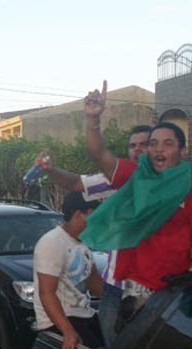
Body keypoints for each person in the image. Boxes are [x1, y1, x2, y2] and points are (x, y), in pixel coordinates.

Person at [81, 81, 192, 346]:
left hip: (167, 296)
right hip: (119, 293)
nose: (159, 148)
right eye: (154, 143)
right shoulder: (137, 177)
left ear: (183, 151)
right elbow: (99, 154)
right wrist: (93, 119)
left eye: (168, 143)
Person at [37, 123, 150, 348]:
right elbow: (76, 182)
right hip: (115, 290)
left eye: (144, 144)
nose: (137, 150)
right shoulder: (114, 181)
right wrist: (50, 169)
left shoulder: (175, 187)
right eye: (132, 145)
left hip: (154, 289)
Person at [34, 191, 104, 349]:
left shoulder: (82, 242)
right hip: (61, 318)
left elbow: (94, 281)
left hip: (85, 314)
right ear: (79, 214)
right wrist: (68, 332)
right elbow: (46, 293)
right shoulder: (52, 243)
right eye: (93, 216)